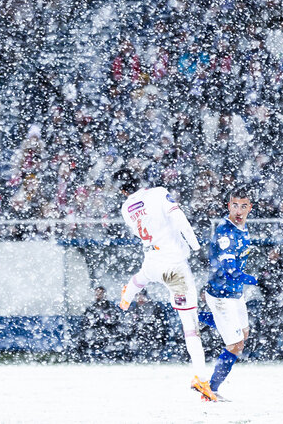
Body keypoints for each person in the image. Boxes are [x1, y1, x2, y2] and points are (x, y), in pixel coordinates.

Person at [114, 168, 215, 401]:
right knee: (190, 325)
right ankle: (200, 378)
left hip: (152, 261)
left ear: (122, 190)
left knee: (143, 276)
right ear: (138, 180)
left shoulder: (125, 209)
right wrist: (196, 246)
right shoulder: (158, 193)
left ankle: (127, 295)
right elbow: (178, 218)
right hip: (174, 267)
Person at [203, 186, 259, 400]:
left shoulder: (243, 228)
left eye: (243, 206)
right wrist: (254, 279)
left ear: (249, 208)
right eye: (235, 205)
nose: (238, 210)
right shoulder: (225, 231)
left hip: (235, 294)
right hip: (221, 295)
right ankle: (211, 389)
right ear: (229, 206)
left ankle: (200, 318)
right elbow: (231, 269)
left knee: (243, 334)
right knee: (235, 345)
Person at [77, 286, 122, 361]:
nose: (98, 295)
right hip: (94, 332)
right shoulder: (91, 308)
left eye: (100, 293)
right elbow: (85, 323)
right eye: (97, 293)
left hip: (107, 332)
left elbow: (114, 321)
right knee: (83, 337)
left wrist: (104, 324)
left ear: (104, 294)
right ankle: (83, 358)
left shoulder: (111, 308)